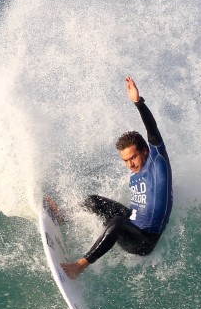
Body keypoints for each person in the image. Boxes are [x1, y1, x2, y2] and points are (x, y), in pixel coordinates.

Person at [61, 76, 173, 279]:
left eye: (133, 157)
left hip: (144, 239)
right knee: (93, 201)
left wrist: (138, 102)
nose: (130, 164)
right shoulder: (135, 173)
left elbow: (152, 130)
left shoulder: (158, 164)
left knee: (118, 223)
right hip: (132, 220)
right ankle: (63, 217)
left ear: (145, 151)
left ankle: (81, 265)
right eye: (125, 161)